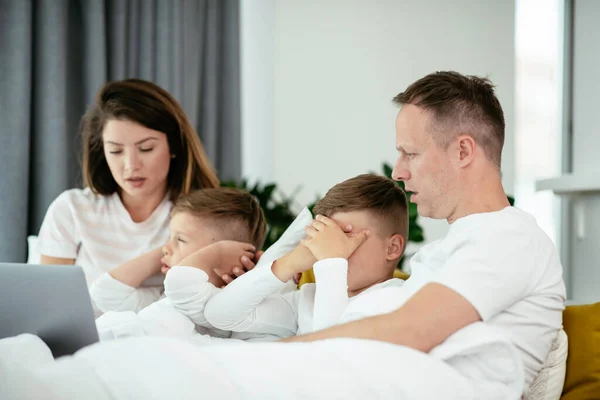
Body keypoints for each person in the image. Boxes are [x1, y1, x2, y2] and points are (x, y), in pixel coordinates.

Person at [0, 71, 564, 399]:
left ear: (464, 150)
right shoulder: (450, 251)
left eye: (410, 153)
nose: (397, 170)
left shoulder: (508, 238)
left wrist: (282, 355)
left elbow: (409, 331)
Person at [36, 79, 257, 313]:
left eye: (146, 149)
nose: (131, 166)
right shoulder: (71, 209)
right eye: (116, 151)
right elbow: (48, 305)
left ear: (173, 147)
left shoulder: (202, 221)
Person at [202, 174, 409, 338]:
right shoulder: (308, 299)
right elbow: (218, 316)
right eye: (325, 237)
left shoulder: (397, 300)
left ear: (392, 248)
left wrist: (332, 263)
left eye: (344, 236)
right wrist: (288, 264)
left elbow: (329, 350)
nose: (329, 248)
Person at [94, 187, 276, 344]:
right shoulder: (163, 297)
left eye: (180, 239)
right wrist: (167, 251)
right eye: (169, 237)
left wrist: (217, 253)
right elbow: (105, 293)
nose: (165, 248)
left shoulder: (223, 308)